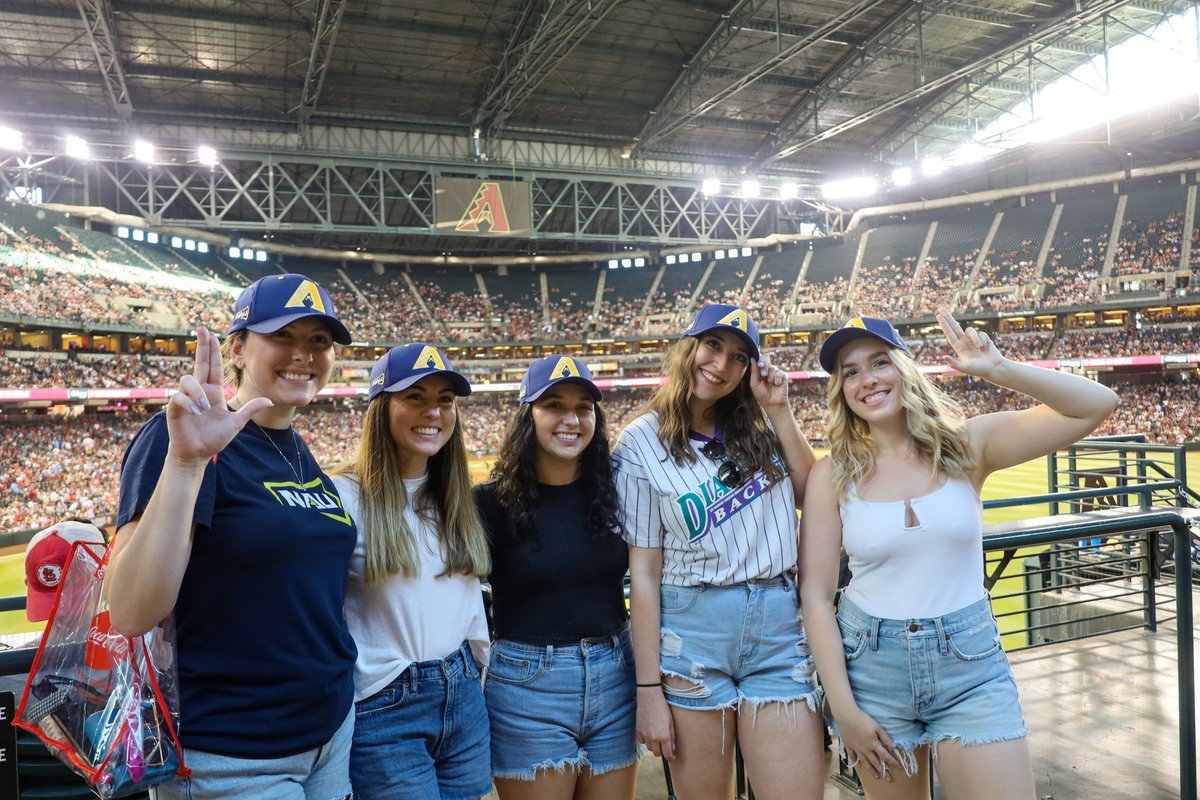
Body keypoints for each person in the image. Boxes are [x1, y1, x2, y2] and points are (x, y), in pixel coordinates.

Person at [800, 311, 1119, 800]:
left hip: (969, 665)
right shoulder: (832, 475)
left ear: (904, 368)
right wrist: (844, 712)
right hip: (872, 670)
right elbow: (817, 598)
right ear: (841, 389)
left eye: (879, 362)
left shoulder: (967, 445)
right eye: (851, 371)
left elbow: (1097, 404)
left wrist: (1000, 369)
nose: (868, 380)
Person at [107, 273, 358, 800]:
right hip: (233, 753)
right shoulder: (180, 439)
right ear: (238, 349)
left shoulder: (297, 449)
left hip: (329, 735)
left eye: (319, 341)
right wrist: (184, 463)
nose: (304, 354)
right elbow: (129, 611)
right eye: (284, 336)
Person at [613, 304, 824, 800]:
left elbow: (810, 492)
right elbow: (643, 574)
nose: (722, 365)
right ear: (689, 347)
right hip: (692, 627)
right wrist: (648, 693)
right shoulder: (638, 443)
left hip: (778, 622)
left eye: (738, 356)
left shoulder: (761, 422)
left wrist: (780, 410)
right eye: (713, 345)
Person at [330, 343, 492, 800]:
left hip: (463, 694)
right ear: (382, 408)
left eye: (445, 399)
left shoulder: (456, 495)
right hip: (384, 705)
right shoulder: (342, 495)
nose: (434, 411)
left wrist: (478, 665)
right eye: (416, 396)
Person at [476, 355, 638, 800]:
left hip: (615, 675)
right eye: (554, 405)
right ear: (528, 416)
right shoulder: (488, 505)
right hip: (528, 690)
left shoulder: (617, 494)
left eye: (583, 407)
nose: (571, 419)